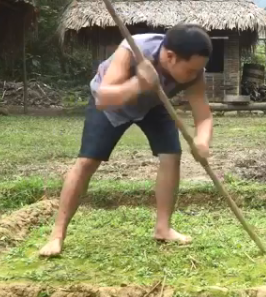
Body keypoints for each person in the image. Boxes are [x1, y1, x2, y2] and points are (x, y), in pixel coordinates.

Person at [39, 23, 214, 257]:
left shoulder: (194, 70)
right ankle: (57, 235)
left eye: (198, 71)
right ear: (170, 57)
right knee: (87, 162)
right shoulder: (134, 49)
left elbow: (203, 114)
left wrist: (202, 141)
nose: (194, 76)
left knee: (172, 156)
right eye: (191, 71)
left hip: (153, 104)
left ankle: (163, 228)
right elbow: (104, 98)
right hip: (113, 105)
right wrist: (139, 84)